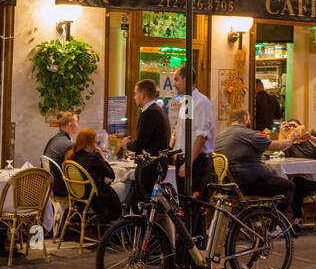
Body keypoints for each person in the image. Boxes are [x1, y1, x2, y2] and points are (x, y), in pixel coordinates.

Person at [214, 109, 299, 214]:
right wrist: (291, 138)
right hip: (247, 183)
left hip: (228, 185)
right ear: (246, 118)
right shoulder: (247, 134)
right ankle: (274, 225)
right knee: (288, 187)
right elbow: (278, 146)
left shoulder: (219, 136)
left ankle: (260, 219)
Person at [119, 80, 171, 210]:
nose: (134, 97)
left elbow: (140, 145)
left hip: (151, 167)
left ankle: (141, 230)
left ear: (143, 95)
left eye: (135, 94)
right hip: (158, 165)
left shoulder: (149, 113)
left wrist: (127, 144)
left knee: (141, 205)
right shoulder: (160, 111)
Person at [278, 120, 316, 231]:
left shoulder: (311, 138)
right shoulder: (290, 144)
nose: (293, 128)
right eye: (290, 126)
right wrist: (283, 135)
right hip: (304, 177)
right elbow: (281, 153)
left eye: (295, 126)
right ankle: (297, 218)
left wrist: (309, 137)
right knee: (295, 184)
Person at [173, 64, 214, 202]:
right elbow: (185, 131)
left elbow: (202, 136)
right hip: (185, 159)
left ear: (185, 79)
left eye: (176, 79)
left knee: (193, 209)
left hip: (197, 162)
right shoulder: (188, 101)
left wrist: (188, 163)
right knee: (184, 206)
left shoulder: (201, 102)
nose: (174, 84)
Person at [64, 128, 123, 224]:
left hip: (77, 196)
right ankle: (121, 226)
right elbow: (112, 175)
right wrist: (102, 156)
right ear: (89, 143)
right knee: (125, 186)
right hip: (95, 199)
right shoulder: (94, 157)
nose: (96, 145)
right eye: (95, 142)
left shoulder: (72, 156)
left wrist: (100, 177)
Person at [42, 111, 79, 196]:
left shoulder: (53, 139)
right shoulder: (68, 144)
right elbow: (75, 172)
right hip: (61, 188)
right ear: (70, 125)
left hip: (49, 185)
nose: (77, 124)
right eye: (76, 122)